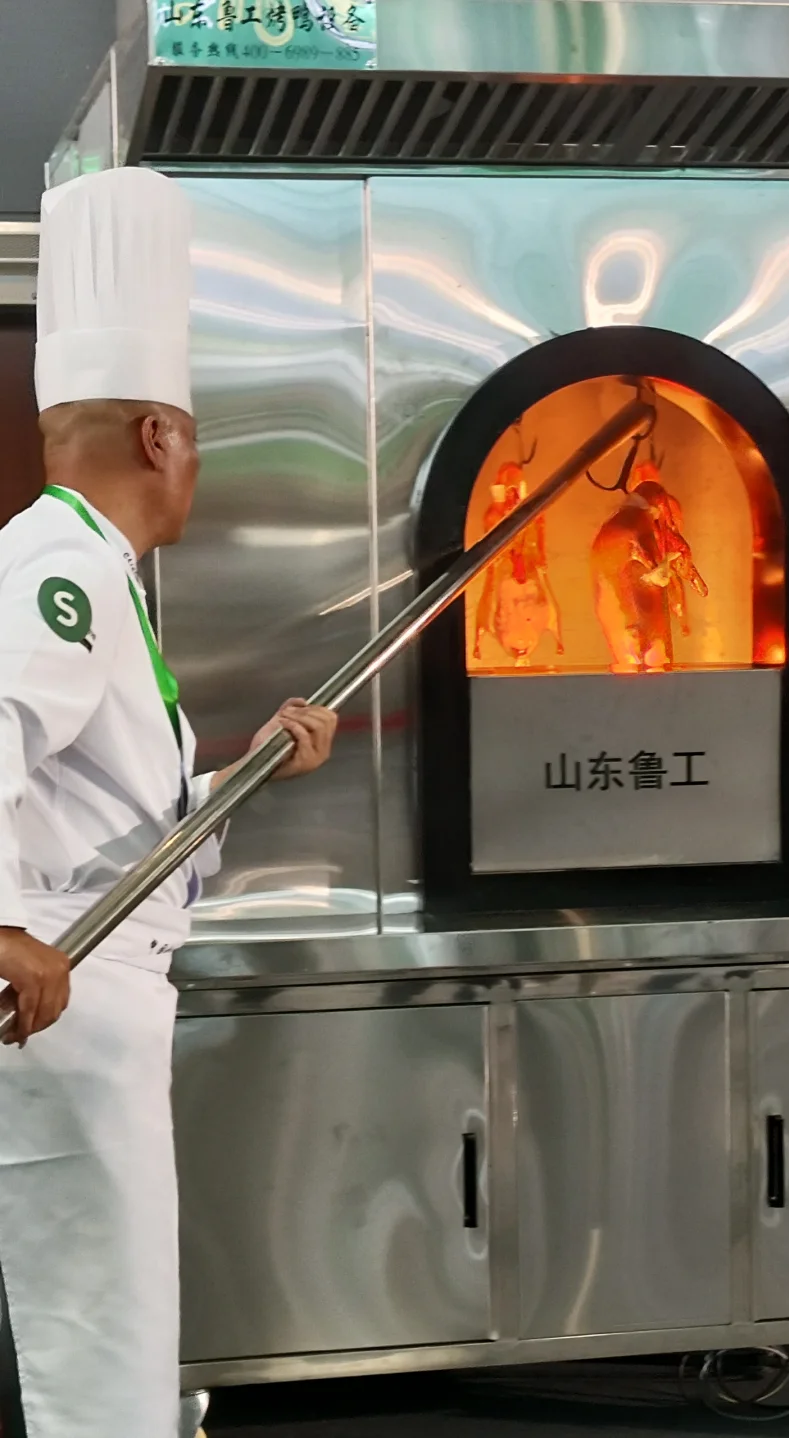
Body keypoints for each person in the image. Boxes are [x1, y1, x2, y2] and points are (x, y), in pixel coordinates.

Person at [0, 168, 337, 1437]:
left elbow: (100, 801)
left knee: (119, 1322)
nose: (197, 466)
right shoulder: (60, 573)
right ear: (158, 436)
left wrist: (246, 769)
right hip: (69, 995)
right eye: (193, 437)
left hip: (102, 990)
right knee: (103, 1334)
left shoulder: (93, 569)